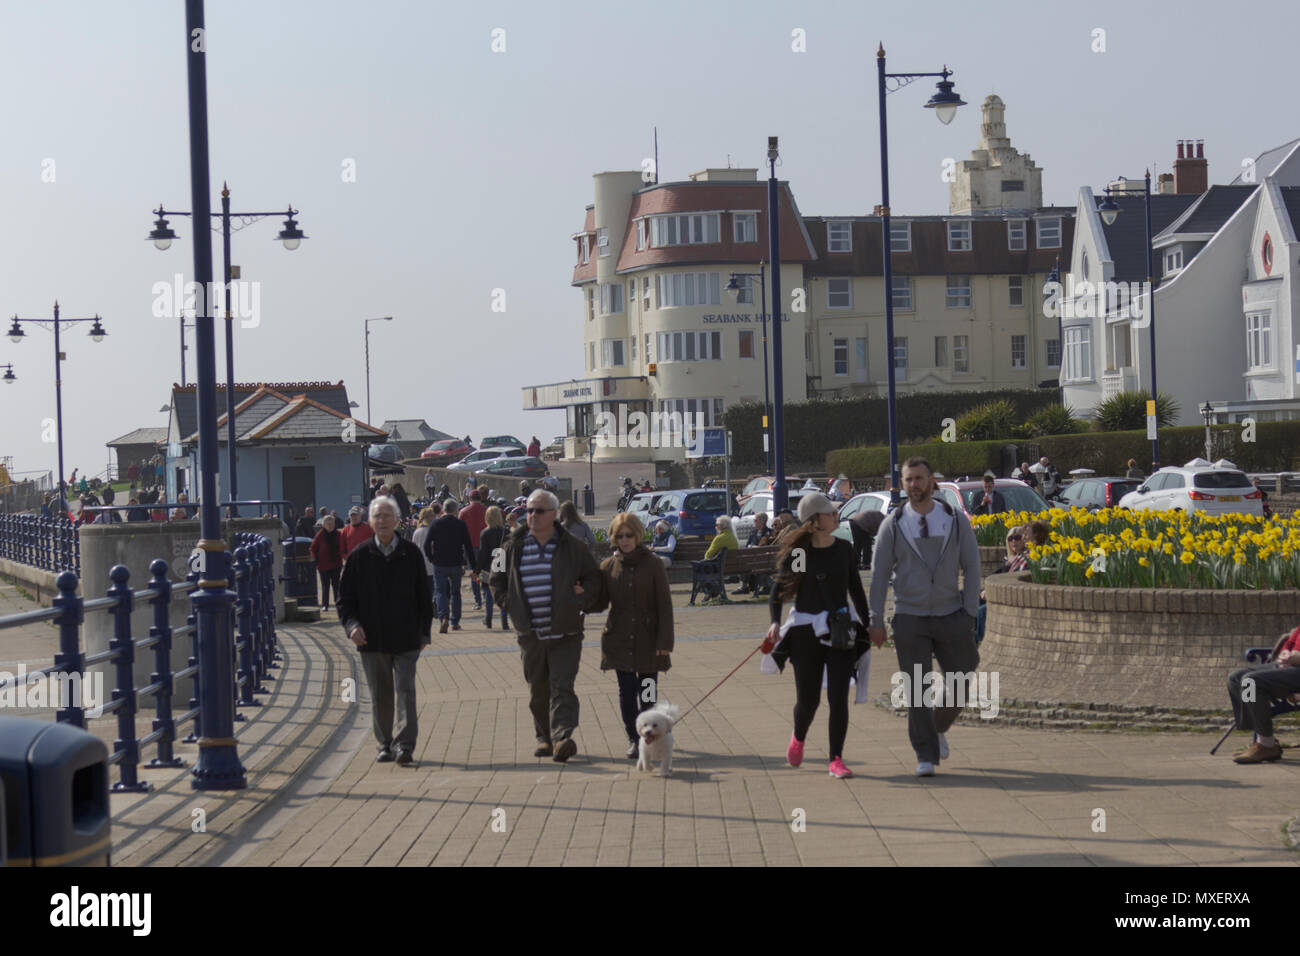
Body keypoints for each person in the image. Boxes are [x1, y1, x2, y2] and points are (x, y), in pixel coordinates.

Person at [868, 457, 981, 778]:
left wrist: (969, 611)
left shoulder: (954, 519)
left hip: (951, 614)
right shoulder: (893, 523)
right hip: (909, 617)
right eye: (908, 480)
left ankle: (936, 729)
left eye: (919, 478)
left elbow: (972, 567)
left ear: (931, 481)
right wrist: (876, 619)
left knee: (962, 676)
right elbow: (878, 576)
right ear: (902, 484)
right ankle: (925, 755)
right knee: (917, 689)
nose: (914, 485)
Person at [765, 493, 874, 779]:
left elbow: (856, 590)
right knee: (809, 700)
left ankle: (836, 759)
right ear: (814, 521)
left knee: (839, 697)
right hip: (805, 633)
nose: (835, 515)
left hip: (840, 630)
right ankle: (798, 737)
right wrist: (775, 623)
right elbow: (779, 592)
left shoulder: (844, 550)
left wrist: (869, 623)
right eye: (829, 513)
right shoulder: (801, 554)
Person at [490, 489, 601, 762]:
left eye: (539, 511)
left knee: (562, 686)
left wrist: (581, 598)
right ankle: (544, 738)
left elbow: (594, 579)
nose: (532, 516)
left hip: (566, 633)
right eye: (529, 510)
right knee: (538, 689)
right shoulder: (508, 546)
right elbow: (495, 578)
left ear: (554, 514)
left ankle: (563, 737)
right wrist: (509, 603)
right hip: (530, 634)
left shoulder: (574, 546)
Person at [338, 496, 434, 765]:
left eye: (386, 516)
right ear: (370, 522)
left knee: (405, 690)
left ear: (396, 520)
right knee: (380, 693)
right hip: (372, 638)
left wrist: (424, 632)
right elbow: (345, 599)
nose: (382, 521)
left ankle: (405, 745)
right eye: (377, 516)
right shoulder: (360, 556)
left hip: (406, 636)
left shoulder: (410, 553)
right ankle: (384, 743)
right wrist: (351, 626)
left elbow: (424, 596)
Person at [589, 512, 674, 759]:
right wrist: (582, 594)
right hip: (619, 639)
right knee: (626, 693)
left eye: (629, 535)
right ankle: (634, 739)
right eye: (619, 536)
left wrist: (665, 642)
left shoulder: (653, 564)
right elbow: (599, 603)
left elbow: (665, 605)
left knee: (647, 692)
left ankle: (651, 738)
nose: (624, 540)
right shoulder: (609, 566)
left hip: (649, 642)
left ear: (637, 536)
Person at [1226, 625, 1300, 763]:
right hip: (1288, 666)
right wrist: (1285, 654)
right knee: (1235, 678)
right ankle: (1264, 738)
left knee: (1250, 681)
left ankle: (1266, 744)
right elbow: (1291, 641)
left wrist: (1295, 658)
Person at [424, 500, 476, 633]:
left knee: (440, 591)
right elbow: (468, 546)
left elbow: (427, 544)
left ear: (443, 510)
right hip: (456, 562)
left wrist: (432, 558)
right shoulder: (460, 524)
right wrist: (473, 565)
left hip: (440, 563)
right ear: (455, 510)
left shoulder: (436, 523)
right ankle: (455, 621)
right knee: (455, 592)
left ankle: (443, 617)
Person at [975, 526, 1029, 643]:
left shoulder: (1025, 559)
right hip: (996, 593)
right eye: (1010, 538)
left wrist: (988, 592)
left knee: (981, 611)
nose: (1014, 541)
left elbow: (1012, 582)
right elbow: (994, 577)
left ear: (1024, 540)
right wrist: (1006, 565)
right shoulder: (1009, 559)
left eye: (1017, 537)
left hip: (1006, 598)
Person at [475, 505, 509, 630]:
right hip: (503, 565)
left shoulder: (485, 533)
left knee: (488, 594)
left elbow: (483, 553)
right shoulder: (506, 532)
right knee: (503, 593)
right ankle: (504, 621)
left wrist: (477, 569)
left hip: (489, 566)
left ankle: (488, 619)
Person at [459, 490, 488, 610]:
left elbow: (459, 530)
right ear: (480, 498)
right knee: (486, 572)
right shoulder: (486, 510)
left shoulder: (464, 512)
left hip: (470, 546)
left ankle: (478, 601)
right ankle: (487, 597)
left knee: (474, 574)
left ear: (469, 499)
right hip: (485, 545)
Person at [733, 513, 774, 595]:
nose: (754, 522)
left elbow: (766, 547)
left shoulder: (769, 532)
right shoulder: (752, 532)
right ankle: (744, 586)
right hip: (752, 559)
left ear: (762, 522)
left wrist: (752, 547)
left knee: (750, 565)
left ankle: (764, 586)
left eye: (755, 520)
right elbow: (746, 546)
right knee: (743, 563)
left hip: (764, 561)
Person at [310, 513, 344, 610]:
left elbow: (343, 546)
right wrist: (314, 560)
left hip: (336, 564)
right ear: (324, 525)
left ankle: (338, 604)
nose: (330, 525)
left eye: (331, 523)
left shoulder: (338, 534)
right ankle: (325, 605)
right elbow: (313, 548)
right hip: (323, 565)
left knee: (336, 585)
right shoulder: (320, 534)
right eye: (328, 524)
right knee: (325, 586)